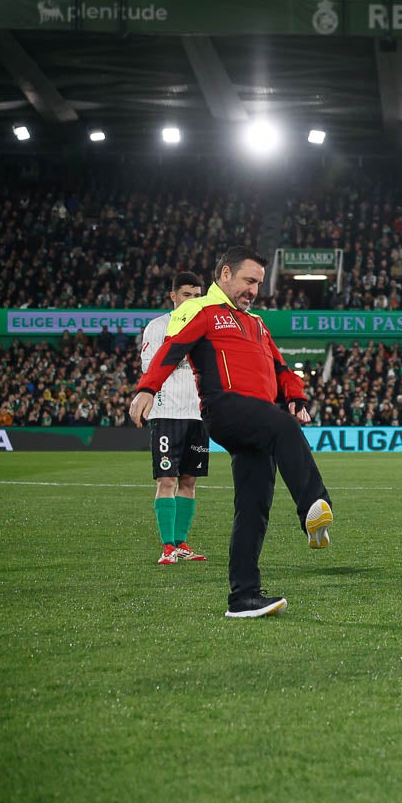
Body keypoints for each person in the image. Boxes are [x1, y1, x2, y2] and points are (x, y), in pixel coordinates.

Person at [130, 247, 334, 619]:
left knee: (253, 508)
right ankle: (313, 508)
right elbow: (171, 349)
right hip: (224, 407)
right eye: (248, 280)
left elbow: (281, 367)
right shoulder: (200, 309)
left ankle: (244, 597)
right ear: (225, 274)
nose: (254, 289)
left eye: (258, 283)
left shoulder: (256, 323)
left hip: (256, 421)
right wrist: (147, 387)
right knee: (283, 427)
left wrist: (296, 397)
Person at [139, 271, 209, 564]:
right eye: (186, 295)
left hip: (197, 415)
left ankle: (181, 543)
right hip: (167, 413)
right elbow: (151, 366)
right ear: (173, 296)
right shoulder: (157, 328)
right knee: (167, 480)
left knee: (189, 481)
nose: (191, 300)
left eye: (196, 296)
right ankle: (167, 546)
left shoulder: (206, 328)